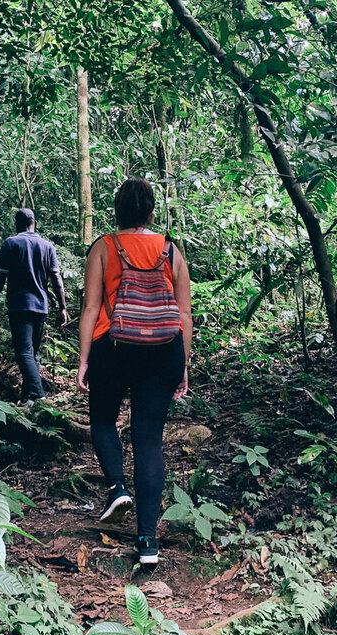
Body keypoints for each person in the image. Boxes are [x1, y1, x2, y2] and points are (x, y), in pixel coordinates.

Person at [76, 177, 192, 566]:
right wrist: (184, 365)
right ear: (151, 212)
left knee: (104, 421)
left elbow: (92, 309)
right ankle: (148, 543)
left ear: (117, 210)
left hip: (115, 346)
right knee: (149, 441)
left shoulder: (105, 247)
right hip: (164, 351)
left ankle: (117, 487)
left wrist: (84, 359)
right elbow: (184, 314)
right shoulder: (171, 250)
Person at [0, 208, 69, 406]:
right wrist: (62, 307)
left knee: (24, 352)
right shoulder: (47, 246)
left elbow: (0, 278)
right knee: (32, 353)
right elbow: (56, 279)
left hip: (19, 305)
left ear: (17, 224)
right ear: (35, 222)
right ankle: (27, 399)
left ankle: (39, 396)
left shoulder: (11, 243)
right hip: (41, 306)